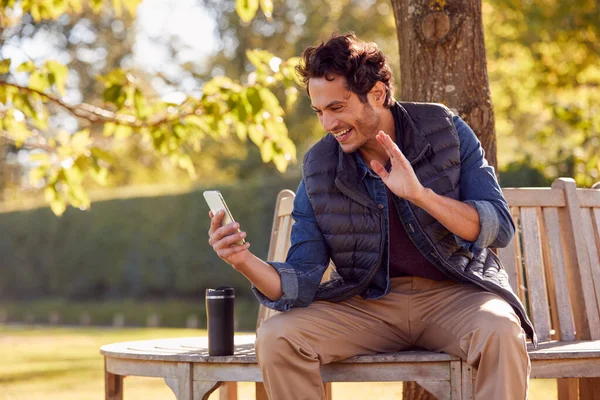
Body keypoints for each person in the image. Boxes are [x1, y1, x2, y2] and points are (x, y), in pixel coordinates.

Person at [208, 32, 534, 400]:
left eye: (337, 107)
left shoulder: (446, 130)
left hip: (455, 295)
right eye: (319, 111)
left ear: (377, 94)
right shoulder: (319, 167)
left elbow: (498, 226)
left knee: (501, 329)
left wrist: (420, 195)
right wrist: (242, 260)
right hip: (369, 305)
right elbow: (301, 277)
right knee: (276, 336)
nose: (328, 124)